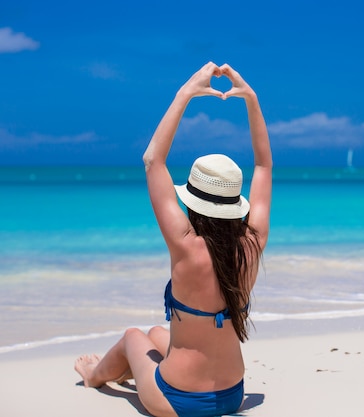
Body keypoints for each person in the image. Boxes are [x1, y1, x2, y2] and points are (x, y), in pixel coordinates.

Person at [74, 61, 272, 417]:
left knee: (134, 335)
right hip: (232, 395)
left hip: (178, 401)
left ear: (193, 202)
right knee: (155, 332)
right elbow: (263, 166)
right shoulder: (251, 244)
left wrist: (187, 92)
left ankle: (93, 376)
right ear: (233, 203)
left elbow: (153, 161)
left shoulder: (185, 244)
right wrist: (252, 100)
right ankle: (138, 371)